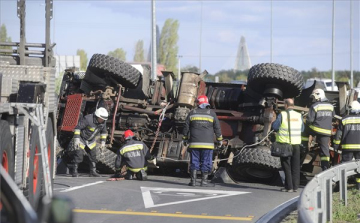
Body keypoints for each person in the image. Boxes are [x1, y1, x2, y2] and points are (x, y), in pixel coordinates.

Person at [182, 95, 223, 187]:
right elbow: (217, 128)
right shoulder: (211, 113)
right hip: (208, 144)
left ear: (198, 103)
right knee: (206, 161)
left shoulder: (192, 113)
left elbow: (186, 128)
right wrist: (220, 140)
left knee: (194, 161)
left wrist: (184, 139)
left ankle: (193, 181)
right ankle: (204, 182)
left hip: (194, 143)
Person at [272, 98, 304, 192]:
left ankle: (289, 187)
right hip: (296, 144)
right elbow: (302, 129)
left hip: (285, 144)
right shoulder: (299, 115)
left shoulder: (283, 114)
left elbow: (275, 127)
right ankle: (295, 187)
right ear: (293, 105)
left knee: (286, 165)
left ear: (286, 105)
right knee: (296, 166)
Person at [68, 107, 108, 177]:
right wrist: (77, 139)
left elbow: (103, 133)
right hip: (81, 138)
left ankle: (93, 171)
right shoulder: (88, 119)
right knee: (79, 154)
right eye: (101, 119)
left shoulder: (103, 122)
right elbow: (77, 128)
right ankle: (74, 171)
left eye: (104, 119)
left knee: (93, 155)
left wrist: (103, 143)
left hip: (91, 140)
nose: (102, 120)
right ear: (97, 116)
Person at [333, 101, 360, 190]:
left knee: (345, 167)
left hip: (347, 147)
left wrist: (336, 145)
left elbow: (338, 135)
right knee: (359, 167)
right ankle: (358, 186)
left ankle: (341, 185)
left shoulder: (344, 119)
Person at [306, 88, 335, 171]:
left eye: (314, 96)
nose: (313, 99)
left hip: (316, 129)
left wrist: (306, 123)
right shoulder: (331, 106)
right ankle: (325, 168)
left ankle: (304, 148)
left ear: (318, 96)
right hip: (326, 132)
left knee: (304, 130)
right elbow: (333, 116)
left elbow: (310, 120)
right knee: (325, 150)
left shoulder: (315, 106)